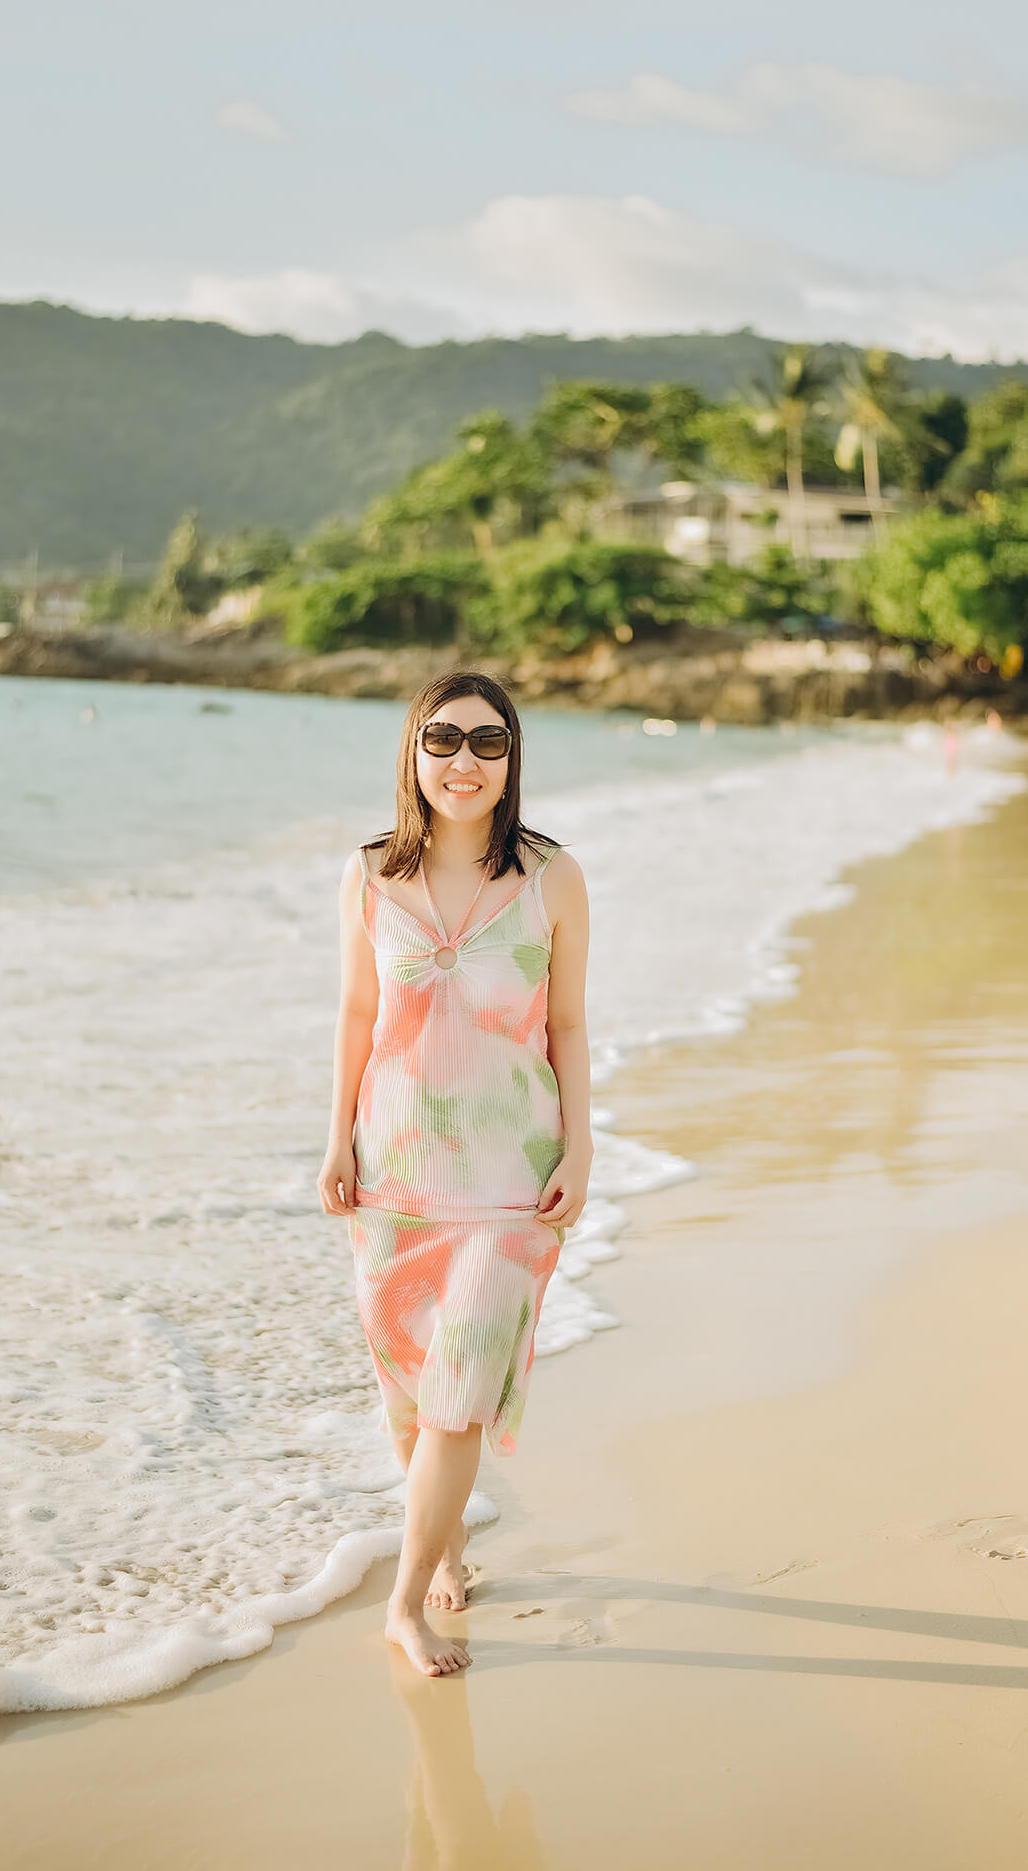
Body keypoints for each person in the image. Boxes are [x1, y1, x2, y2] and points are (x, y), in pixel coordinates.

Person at [318, 672, 592, 1677]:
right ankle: (446, 1547)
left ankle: (401, 1602)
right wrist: (334, 1138)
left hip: (511, 1181)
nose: (463, 761)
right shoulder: (363, 876)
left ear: (512, 757)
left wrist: (581, 1147)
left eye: (487, 741)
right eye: (442, 740)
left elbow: (565, 1024)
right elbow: (356, 1017)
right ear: (412, 753)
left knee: (458, 1394)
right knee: (410, 1395)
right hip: (394, 1171)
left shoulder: (550, 876)